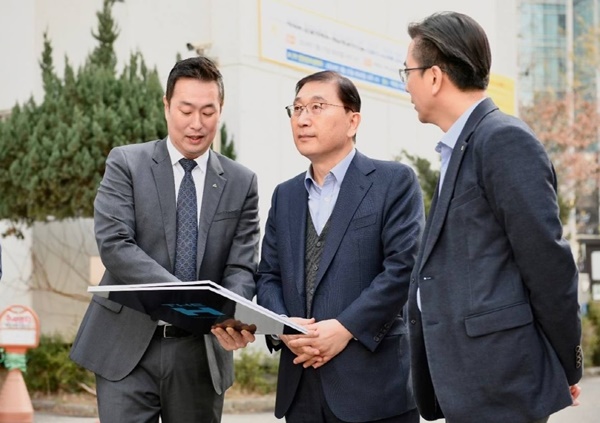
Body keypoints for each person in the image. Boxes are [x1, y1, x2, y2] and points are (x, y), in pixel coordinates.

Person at [402, 11, 583, 423]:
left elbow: (548, 264)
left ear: (434, 77)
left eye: (408, 72)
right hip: (473, 382)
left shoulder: (502, 139)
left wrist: (564, 362)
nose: (406, 84)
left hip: (502, 382)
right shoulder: (462, 146)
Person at [70, 56, 260, 423]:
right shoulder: (127, 163)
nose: (196, 123)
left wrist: (231, 316)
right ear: (166, 105)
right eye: (186, 110)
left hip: (200, 350)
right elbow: (115, 245)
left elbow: (241, 265)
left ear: (220, 110)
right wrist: (184, 297)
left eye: (208, 111)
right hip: (125, 346)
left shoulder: (242, 181)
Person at [256, 70, 424, 423]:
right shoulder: (285, 195)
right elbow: (268, 275)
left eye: (317, 107)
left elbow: (402, 269)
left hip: (374, 390)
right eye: (297, 108)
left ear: (352, 121)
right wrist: (283, 325)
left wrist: (345, 327)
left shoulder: (393, 182)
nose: (303, 119)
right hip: (301, 388)